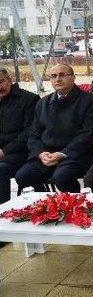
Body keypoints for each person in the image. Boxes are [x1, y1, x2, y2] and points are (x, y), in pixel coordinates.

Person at [15, 64, 93, 193]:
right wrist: (40, 153)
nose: (58, 79)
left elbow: (89, 134)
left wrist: (62, 154)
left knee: (62, 177)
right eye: (53, 76)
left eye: (62, 75)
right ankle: (46, 205)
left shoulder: (89, 100)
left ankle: (75, 207)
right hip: (47, 154)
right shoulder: (43, 103)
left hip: (76, 154)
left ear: (73, 77)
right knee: (23, 176)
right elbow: (34, 134)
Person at [0, 69, 39, 205]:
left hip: (21, 152)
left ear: (10, 80)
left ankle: (3, 212)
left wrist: (4, 150)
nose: (0, 87)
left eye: (1, 82)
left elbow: (30, 132)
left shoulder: (29, 99)